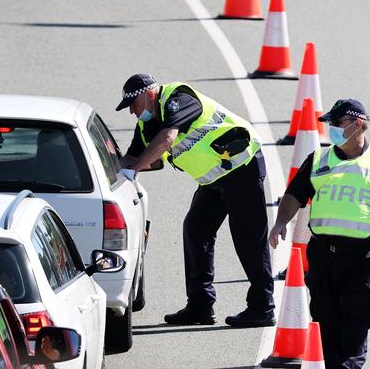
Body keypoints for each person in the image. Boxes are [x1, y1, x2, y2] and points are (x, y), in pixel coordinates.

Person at [269, 99, 370, 368]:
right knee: (325, 322)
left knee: (355, 324)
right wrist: (281, 221)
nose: (331, 129)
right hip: (322, 256)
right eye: (330, 124)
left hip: (362, 258)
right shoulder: (319, 159)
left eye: (337, 123)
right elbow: (295, 194)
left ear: (358, 124)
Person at [115, 74, 275, 328]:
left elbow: (167, 139)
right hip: (212, 180)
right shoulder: (146, 127)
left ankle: (262, 308)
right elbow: (147, 160)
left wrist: (134, 170)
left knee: (248, 238)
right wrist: (111, 168)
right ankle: (200, 306)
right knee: (195, 232)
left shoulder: (177, 98)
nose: (132, 113)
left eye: (133, 105)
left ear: (148, 95)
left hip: (242, 167)